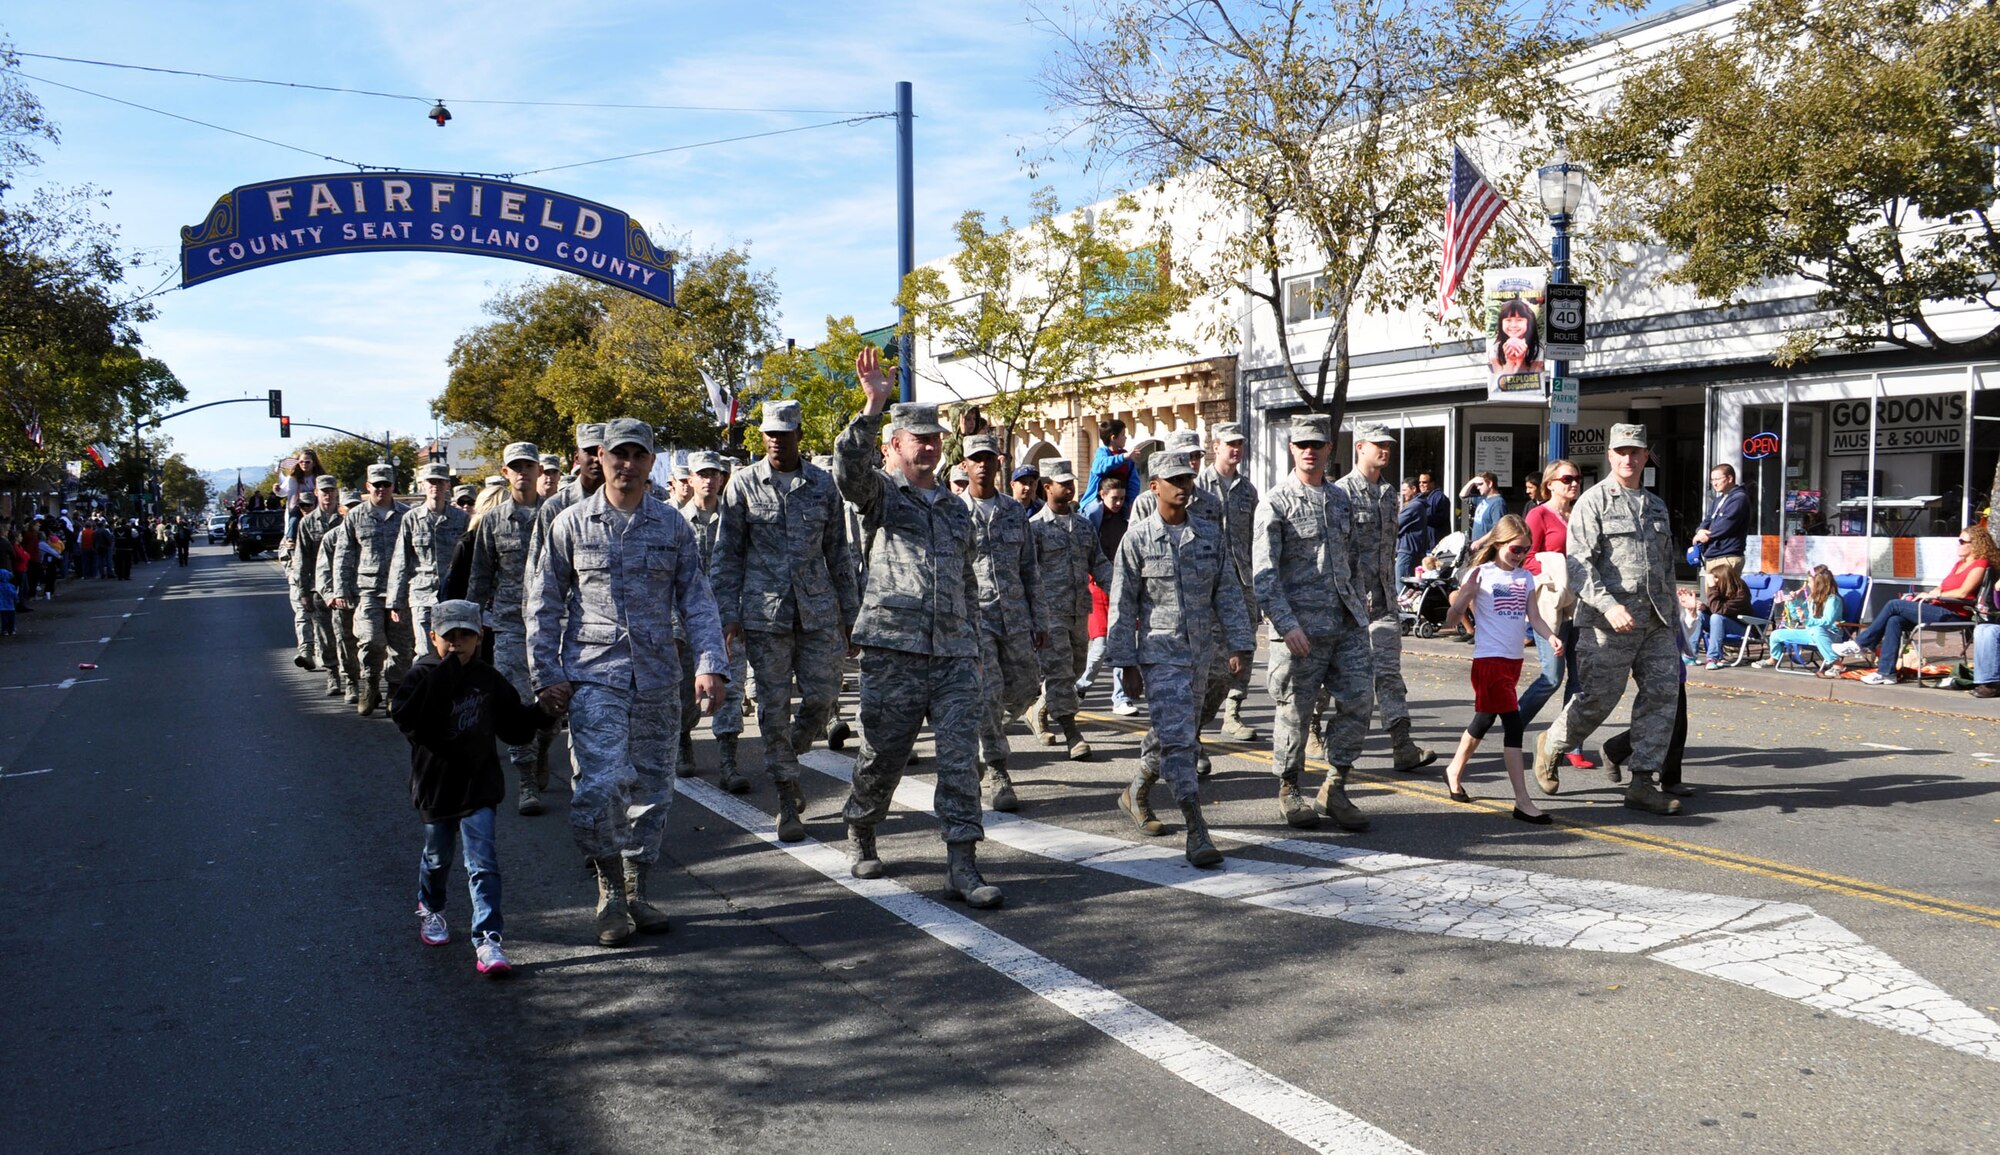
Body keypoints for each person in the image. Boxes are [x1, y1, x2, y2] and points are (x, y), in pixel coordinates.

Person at [528, 419, 728, 946]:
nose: (628, 464)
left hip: (659, 677)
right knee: (600, 785)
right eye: (619, 454)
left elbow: (698, 600)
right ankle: (610, 891)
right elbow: (543, 604)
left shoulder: (671, 525)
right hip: (595, 676)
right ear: (600, 456)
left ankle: (638, 888)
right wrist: (545, 675)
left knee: (653, 793)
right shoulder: (569, 523)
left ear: (651, 461)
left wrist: (711, 663)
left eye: (639, 455)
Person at [834, 347, 1001, 908]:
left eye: (934, 439)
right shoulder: (881, 494)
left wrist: (974, 646)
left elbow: (968, 583)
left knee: (959, 759)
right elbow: (848, 473)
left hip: (953, 655)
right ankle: (861, 825)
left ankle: (962, 863)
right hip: (893, 651)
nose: (927, 447)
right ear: (897, 446)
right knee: (882, 756)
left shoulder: (957, 511)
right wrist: (874, 404)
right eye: (916, 439)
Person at [712, 401, 858, 837]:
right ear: (762, 437)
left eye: (785, 432)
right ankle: (786, 794)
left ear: (799, 434)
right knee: (773, 709)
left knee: (823, 696)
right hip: (765, 615)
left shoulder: (822, 485)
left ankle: (787, 755)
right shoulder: (741, 485)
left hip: (817, 613)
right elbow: (727, 555)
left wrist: (851, 614)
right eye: (769, 433)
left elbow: (839, 554)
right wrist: (728, 614)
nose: (776, 439)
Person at [390, 599, 552, 978]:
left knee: (482, 864)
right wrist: (447, 673)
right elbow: (413, 722)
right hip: (436, 787)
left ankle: (488, 938)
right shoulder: (421, 676)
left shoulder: (488, 679)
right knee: (437, 858)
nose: (458, 644)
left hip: (478, 785)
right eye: (450, 637)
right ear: (433, 638)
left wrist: (544, 710)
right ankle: (431, 907)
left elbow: (514, 726)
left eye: (467, 636)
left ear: (480, 638)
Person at [1107, 449, 1254, 865]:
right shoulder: (1136, 540)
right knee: (1180, 741)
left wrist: (1240, 645)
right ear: (1154, 487)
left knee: (1178, 730)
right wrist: (1126, 664)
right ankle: (1196, 829)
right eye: (1175, 481)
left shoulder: (1208, 534)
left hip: (1204, 656)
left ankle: (1136, 789)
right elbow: (1123, 606)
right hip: (1160, 655)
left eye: (1189, 480)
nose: (1185, 487)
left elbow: (1227, 592)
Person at [1531, 423, 1684, 815]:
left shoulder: (1656, 506)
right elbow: (1579, 564)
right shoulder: (1593, 502)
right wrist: (1609, 605)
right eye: (1621, 452)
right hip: (1607, 622)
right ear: (1610, 456)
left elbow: (1666, 567)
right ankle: (1552, 743)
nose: (1629, 458)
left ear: (1646, 455)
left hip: (1656, 623)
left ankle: (1643, 781)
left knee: (1662, 697)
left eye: (1636, 451)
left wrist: (1677, 617)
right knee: (1598, 700)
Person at [1254, 413, 1375, 831]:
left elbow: (1353, 559)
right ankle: (1289, 788)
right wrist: (1286, 625)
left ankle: (1336, 785)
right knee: (1295, 711)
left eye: (1317, 444)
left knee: (1360, 700)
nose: (1309, 451)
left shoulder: (1340, 499)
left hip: (1345, 622)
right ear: (1291, 449)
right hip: (1300, 628)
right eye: (1301, 444)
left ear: (1328, 449)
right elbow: (1264, 574)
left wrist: (1361, 604)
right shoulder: (1275, 501)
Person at [1439, 515, 1559, 824]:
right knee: (1513, 725)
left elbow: (1534, 616)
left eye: (1525, 551)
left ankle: (1454, 770)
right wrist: (1463, 598)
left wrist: (1551, 636)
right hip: (1489, 660)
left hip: (1512, 660)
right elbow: (1451, 620)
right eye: (1515, 549)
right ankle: (1522, 801)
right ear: (1498, 544)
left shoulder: (1525, 578)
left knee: (1482, 720)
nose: (1520, 556)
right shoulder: (1481, 573)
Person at [1337, 422, 1436, 773]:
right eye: (1378, 444)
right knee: (1336, 678)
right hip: (1348, 605)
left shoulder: (1391, 493)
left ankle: (1402, 743)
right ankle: (1315, 731)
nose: (1385, 450)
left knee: (1389, 673)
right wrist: (1348, 592)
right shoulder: (1341, 493)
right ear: (1359, 447)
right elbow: (1334, 552)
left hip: (1383, 602)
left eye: (1389, 445)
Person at [961, 432, 1046, 811]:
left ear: (999, 462)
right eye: (975, 458)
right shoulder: (953, 511)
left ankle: (983, 737)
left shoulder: (1013, 511)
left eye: (988, 457)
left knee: (1028, 688)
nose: (982, 464)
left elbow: (1029, 568)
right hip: (973, 620)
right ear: (965, 465)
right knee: (987, 693)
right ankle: (997, 768)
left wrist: (1038, 618)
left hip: (1014, 617)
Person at [468, 443, 553, 812]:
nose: (522, 473)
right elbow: (481, 575)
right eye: (515, 467)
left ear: (540, 470)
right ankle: (526, 781)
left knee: (552, 704)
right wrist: (472, 623)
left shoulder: (557, 514)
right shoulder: (493, 521)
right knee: (517, 701)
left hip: (554, 623)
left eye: (528, 466)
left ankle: (543, 749)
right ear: (505, 473)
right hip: (510, 623)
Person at [676, 451, 752, 794]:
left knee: (731, 689)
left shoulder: (736, 520)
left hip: (727, 618)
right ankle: (682, 740)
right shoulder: (674, 521)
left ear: (722, 479)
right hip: (683, 621)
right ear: (689, 479)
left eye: (714, 474)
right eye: (701, 474)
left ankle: (728, 762)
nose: (708, 479)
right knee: (683, 693)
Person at [1833, 528, 1993, 684]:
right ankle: (1886, 673)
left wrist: (1934, 595)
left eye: (1962, 541)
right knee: (1894, 620)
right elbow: (1942, 587)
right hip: (1938, 608)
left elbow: (1963, 593)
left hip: (1955, 613)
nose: (1958, 544)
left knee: (1894, 604)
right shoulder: (1960, 564)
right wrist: (1930, 593)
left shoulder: (1980, 564)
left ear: (1976, 544)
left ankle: (1861, 644)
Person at [1029, 458, 1109, 761]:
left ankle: (1041, 708)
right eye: (1063, 483)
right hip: (1050, 614)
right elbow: (1027, 572)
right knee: (1060, 673)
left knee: (1075, 669)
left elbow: (1098, 562)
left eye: (1071, 482)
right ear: (1047, 487)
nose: (1070, 487)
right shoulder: (1034, 528)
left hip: (1079, 611)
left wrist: (1120, 587)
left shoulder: (1084, 526)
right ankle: (1072, 733)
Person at [1518, 461, 1590, 767]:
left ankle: (1571, 745)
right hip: (1550, 606)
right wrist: (1552, 571)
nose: (1574, 483)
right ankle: (1513, 727)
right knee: (1551, 676)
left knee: (1579, 680)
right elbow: (1524, 554)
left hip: (1580, 605)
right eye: (1567, 478)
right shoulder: (1539, 514)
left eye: (1578, 478)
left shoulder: (1579, 515)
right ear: (1551, 484)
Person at [1195, 422, 1261, 743]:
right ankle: (1197, 714)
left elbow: (1254, 539)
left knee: (1244, 647)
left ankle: (1233, 713)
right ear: (1216, 446)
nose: (1236, 450)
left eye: (1240, 444)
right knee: (1211, 652)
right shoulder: (1197, 486)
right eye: (1230, 444)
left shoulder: (1248, 491)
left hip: (1242, 581)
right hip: (1208, 583)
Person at [334, 463, 414, 717]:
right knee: (370, 640)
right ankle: (369, 684)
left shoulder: (407, 515)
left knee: (401, 647)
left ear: (393, 486)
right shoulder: (356, 516)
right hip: (367, 590)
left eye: (386, 484)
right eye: (376, 485)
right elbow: (344, 554)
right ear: (367, 487)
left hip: (400, 591)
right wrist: (341, 589)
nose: (381, 489)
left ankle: (394, 690)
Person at [388, 462, 471, 646]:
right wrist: (395, 600)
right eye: (431, 481)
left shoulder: (461, 518)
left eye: (440, 482)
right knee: (425, 650)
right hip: (421, 594)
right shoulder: (411, 518)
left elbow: (470, 559)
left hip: (452, 593)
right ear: (422, 484)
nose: (436, 486)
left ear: (448, 485)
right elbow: (401, 559)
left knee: (451, 648)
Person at [1077, 472, 1136, 715]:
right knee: (1100, 645)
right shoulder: (1092, 515)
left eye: (1122, 498)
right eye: (1114, 498)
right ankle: (1081, 684)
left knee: (1123, 643)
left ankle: (1120, 698)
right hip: (1097, 585)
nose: (1119, 502)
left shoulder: (1127, 516)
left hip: (1123, 586)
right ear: (1102, 496)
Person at [296, 476, 347, 698]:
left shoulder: (347, 519)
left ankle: (353, 676)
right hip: (319, 588)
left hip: (345, 586)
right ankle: (332, 674)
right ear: (316, 493)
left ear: (336, 492)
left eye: (331, 490)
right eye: (323, 490)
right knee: (325, 635)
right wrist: (303, 592)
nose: (327, 494)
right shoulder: (307, 523)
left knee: (347, 635)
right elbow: (302, 559)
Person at [1757, 565, 1845, 670]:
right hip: (1810, 633)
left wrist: (1807, 620)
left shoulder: (1833, 600)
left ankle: (1837, 664)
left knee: (1816, 631)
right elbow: (1797, 616)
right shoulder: (1812, 598)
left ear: (1819, 584)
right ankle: (1774, 659)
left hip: (1830, 635)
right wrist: (1793, 602)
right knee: (1776, 634)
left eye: (1810, 582)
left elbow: (1827, 621)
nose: (1808, 585)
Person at [1693, 463, 1749, 586]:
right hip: (1713, 556)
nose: (1714, 483)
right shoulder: (1718, 500)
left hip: (1727, 556)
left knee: (1724, 599)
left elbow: (1727, 524)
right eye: (1712, 480)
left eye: (1717, 479)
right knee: (1713, 598)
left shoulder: (1739, 498)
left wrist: (1707, 536)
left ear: (1730, 478)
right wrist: (1700, 530)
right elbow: (1708, 519)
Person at [1699, 566, 1753, 668]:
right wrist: (1704, 608)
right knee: (1699, 614)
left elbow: (1718, 611)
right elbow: (1718, 609)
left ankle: (1712, 658)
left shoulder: (1741, 594)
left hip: (1743, 629)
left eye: (1715, 578)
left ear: (1723, 579)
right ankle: (1690, 655)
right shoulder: (1721, 590)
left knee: (1716, 617)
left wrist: (1712, 587)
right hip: (1722, 624)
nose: (1713, 581)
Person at [1081, 417, 1137, 512]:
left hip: (1121, 500)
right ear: (1114, 438)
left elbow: (1134, 482)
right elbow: (1099, 467)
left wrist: (1131, 501)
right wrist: (1123, 457)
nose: (1125, 437)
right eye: (1123, 434)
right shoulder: (1102, 453)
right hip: (1097, 500)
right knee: (1094, 511)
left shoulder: (1128, 459)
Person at [1488, 298, 1541, 376]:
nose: (1513, 325)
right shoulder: (1495, 350)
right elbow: (1501, 382)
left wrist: (1520, 360)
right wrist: (1510, 361)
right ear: (1501, 323)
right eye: (1508, 320)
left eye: (1519, 320)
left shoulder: (1537, 350)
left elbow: (1534, 380)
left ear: (1528, 322)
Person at [1395, 477, 1429, 588]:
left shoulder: (1414, 506)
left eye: (1404, 490)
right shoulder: (1418, 505)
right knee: (1410, 588)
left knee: (1402, 588)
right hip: (1413, 550)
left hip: (1407, 551)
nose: (1402, 494)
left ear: (1413, 489)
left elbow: (1395, 524)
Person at [1461, 472, 1506, 543]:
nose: (1478, 487)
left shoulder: (1498, 503)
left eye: (1481, 484)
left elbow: (1497, 529)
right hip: (1477, 546)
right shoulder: (1482, 499)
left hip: (1486, 547)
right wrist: (1472, 482)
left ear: (1490, 484)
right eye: (1477, 485)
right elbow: (1463, 496)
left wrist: (1479, 543)